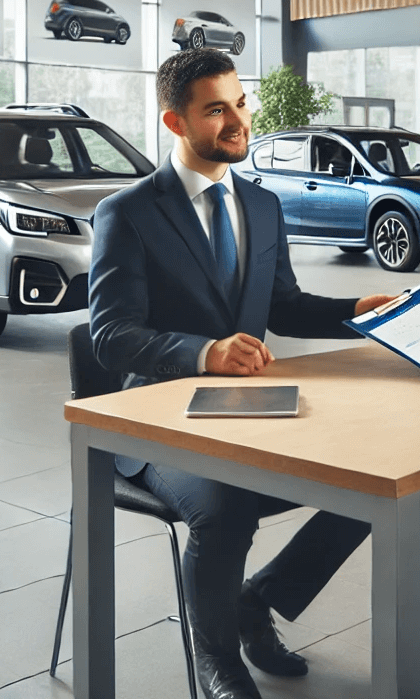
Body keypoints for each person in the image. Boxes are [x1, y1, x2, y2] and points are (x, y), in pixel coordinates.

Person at [90, 48, 393, 699]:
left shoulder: (262, 206)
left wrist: (356, 312)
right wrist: (204, 352)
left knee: (378, 483)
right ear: (176, 123)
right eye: (216, 109)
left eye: (240, 102)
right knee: (224, 508)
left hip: (249, 409)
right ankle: (218, 658)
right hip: (155, 423)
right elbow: (111, 337)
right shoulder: (128, 212)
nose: (237, 120)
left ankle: (258, 601)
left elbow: (283, 304)